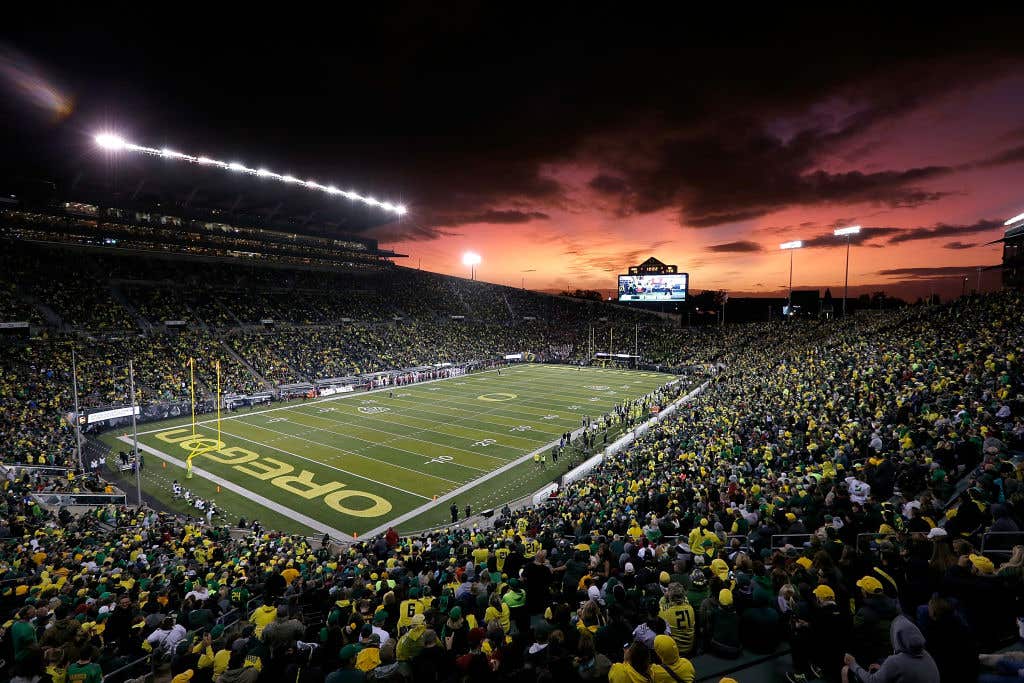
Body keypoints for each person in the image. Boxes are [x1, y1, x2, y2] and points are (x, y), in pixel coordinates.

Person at [844, 616, 939, 683]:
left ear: (896, 637)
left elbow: (871, 681)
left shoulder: (895, 661)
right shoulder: (926, 655)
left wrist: (853, 664)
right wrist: (883, 670)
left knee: (845, 672)